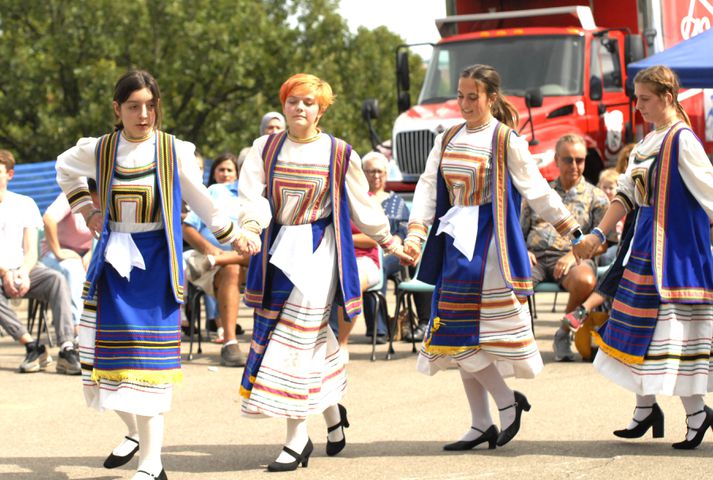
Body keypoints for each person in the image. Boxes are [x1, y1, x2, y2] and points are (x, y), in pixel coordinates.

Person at [55, 70, 240, 480]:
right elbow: (63, 167)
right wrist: (87, 209)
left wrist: (233, 236)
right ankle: (137, 437)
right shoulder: (100, 149)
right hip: (113, 264)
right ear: (117, 109)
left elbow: (203, 200)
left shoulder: (174, 149)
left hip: (158, 262)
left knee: (150, 365)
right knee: (104, 361)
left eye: (150, 106)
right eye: (134, 106)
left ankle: (152, 464)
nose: (143, 114)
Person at [235, 73, 412, 472]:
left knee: (293, 342)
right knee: (313, 338)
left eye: (309, 103)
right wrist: (249, 227)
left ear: (322, 109)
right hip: (278, 251)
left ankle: (297, 441)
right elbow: (253, 200)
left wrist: (390, 242)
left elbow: (362, 206)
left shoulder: (339, 152)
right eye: (293, 101)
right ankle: (334, 417)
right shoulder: (263, 148)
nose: (300, 108)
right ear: (283, 104)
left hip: (320, 252)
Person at [403, 64, 580, 451]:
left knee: (458, 334)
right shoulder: (446, 138)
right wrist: (416, 233)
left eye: (472, 96)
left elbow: (537, 190)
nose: (464, 103)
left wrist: (573, 231)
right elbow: (428, 186)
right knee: (461, 335)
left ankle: (504, 402)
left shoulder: (505, 140)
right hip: (454, 240)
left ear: (491, 98)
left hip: (488, 246)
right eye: (460, 96)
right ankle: (483, 420)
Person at [574, 65, 713, 450]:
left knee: (673, 336)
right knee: (634, 329)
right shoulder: (647, 143)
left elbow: (710, 192)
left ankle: (696, 414)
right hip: (643, 247)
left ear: (668, 98)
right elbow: (625, 195)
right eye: (637, 98)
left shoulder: (682, 140)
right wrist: (600, 233)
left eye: (645, 99)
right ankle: (645, 409)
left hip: (674, 253)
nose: (638, 107)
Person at [521, 134, 614, 362]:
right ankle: (517, 341)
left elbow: (604, 242)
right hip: (535, 257)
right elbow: (520, 231)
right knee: (511, 281)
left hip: (575, 259)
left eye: (579, 160)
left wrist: (574, 256)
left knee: (585, 281)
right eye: (568, 160)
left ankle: (564, 332)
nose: (574, 166)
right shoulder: (540, 194)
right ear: (556, 160)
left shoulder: (597, 197)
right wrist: (524, 251)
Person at [0, 149, 80, 375]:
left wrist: (24, 271)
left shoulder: (24, 204)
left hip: (24, 269)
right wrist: (5, 273)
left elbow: (31, 249)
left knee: (56, 279)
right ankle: (33, 347)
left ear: (10, 175)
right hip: (2, 273)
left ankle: (66, 348)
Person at [183, 152, 249, 365]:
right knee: (231, 268)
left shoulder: (263, 198)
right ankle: (230, 343)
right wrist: (212, 250)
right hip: (215, 262)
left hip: (254, 261)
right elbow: (188, 227)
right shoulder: (215, 191)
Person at [41, 179, 100, 330]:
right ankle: (77, 327)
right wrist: (58, 252)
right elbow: (48, 219)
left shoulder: (107, 200)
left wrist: (91, 253)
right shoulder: (74, 195)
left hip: (84, 254)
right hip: (53, 254)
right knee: (72, 268)